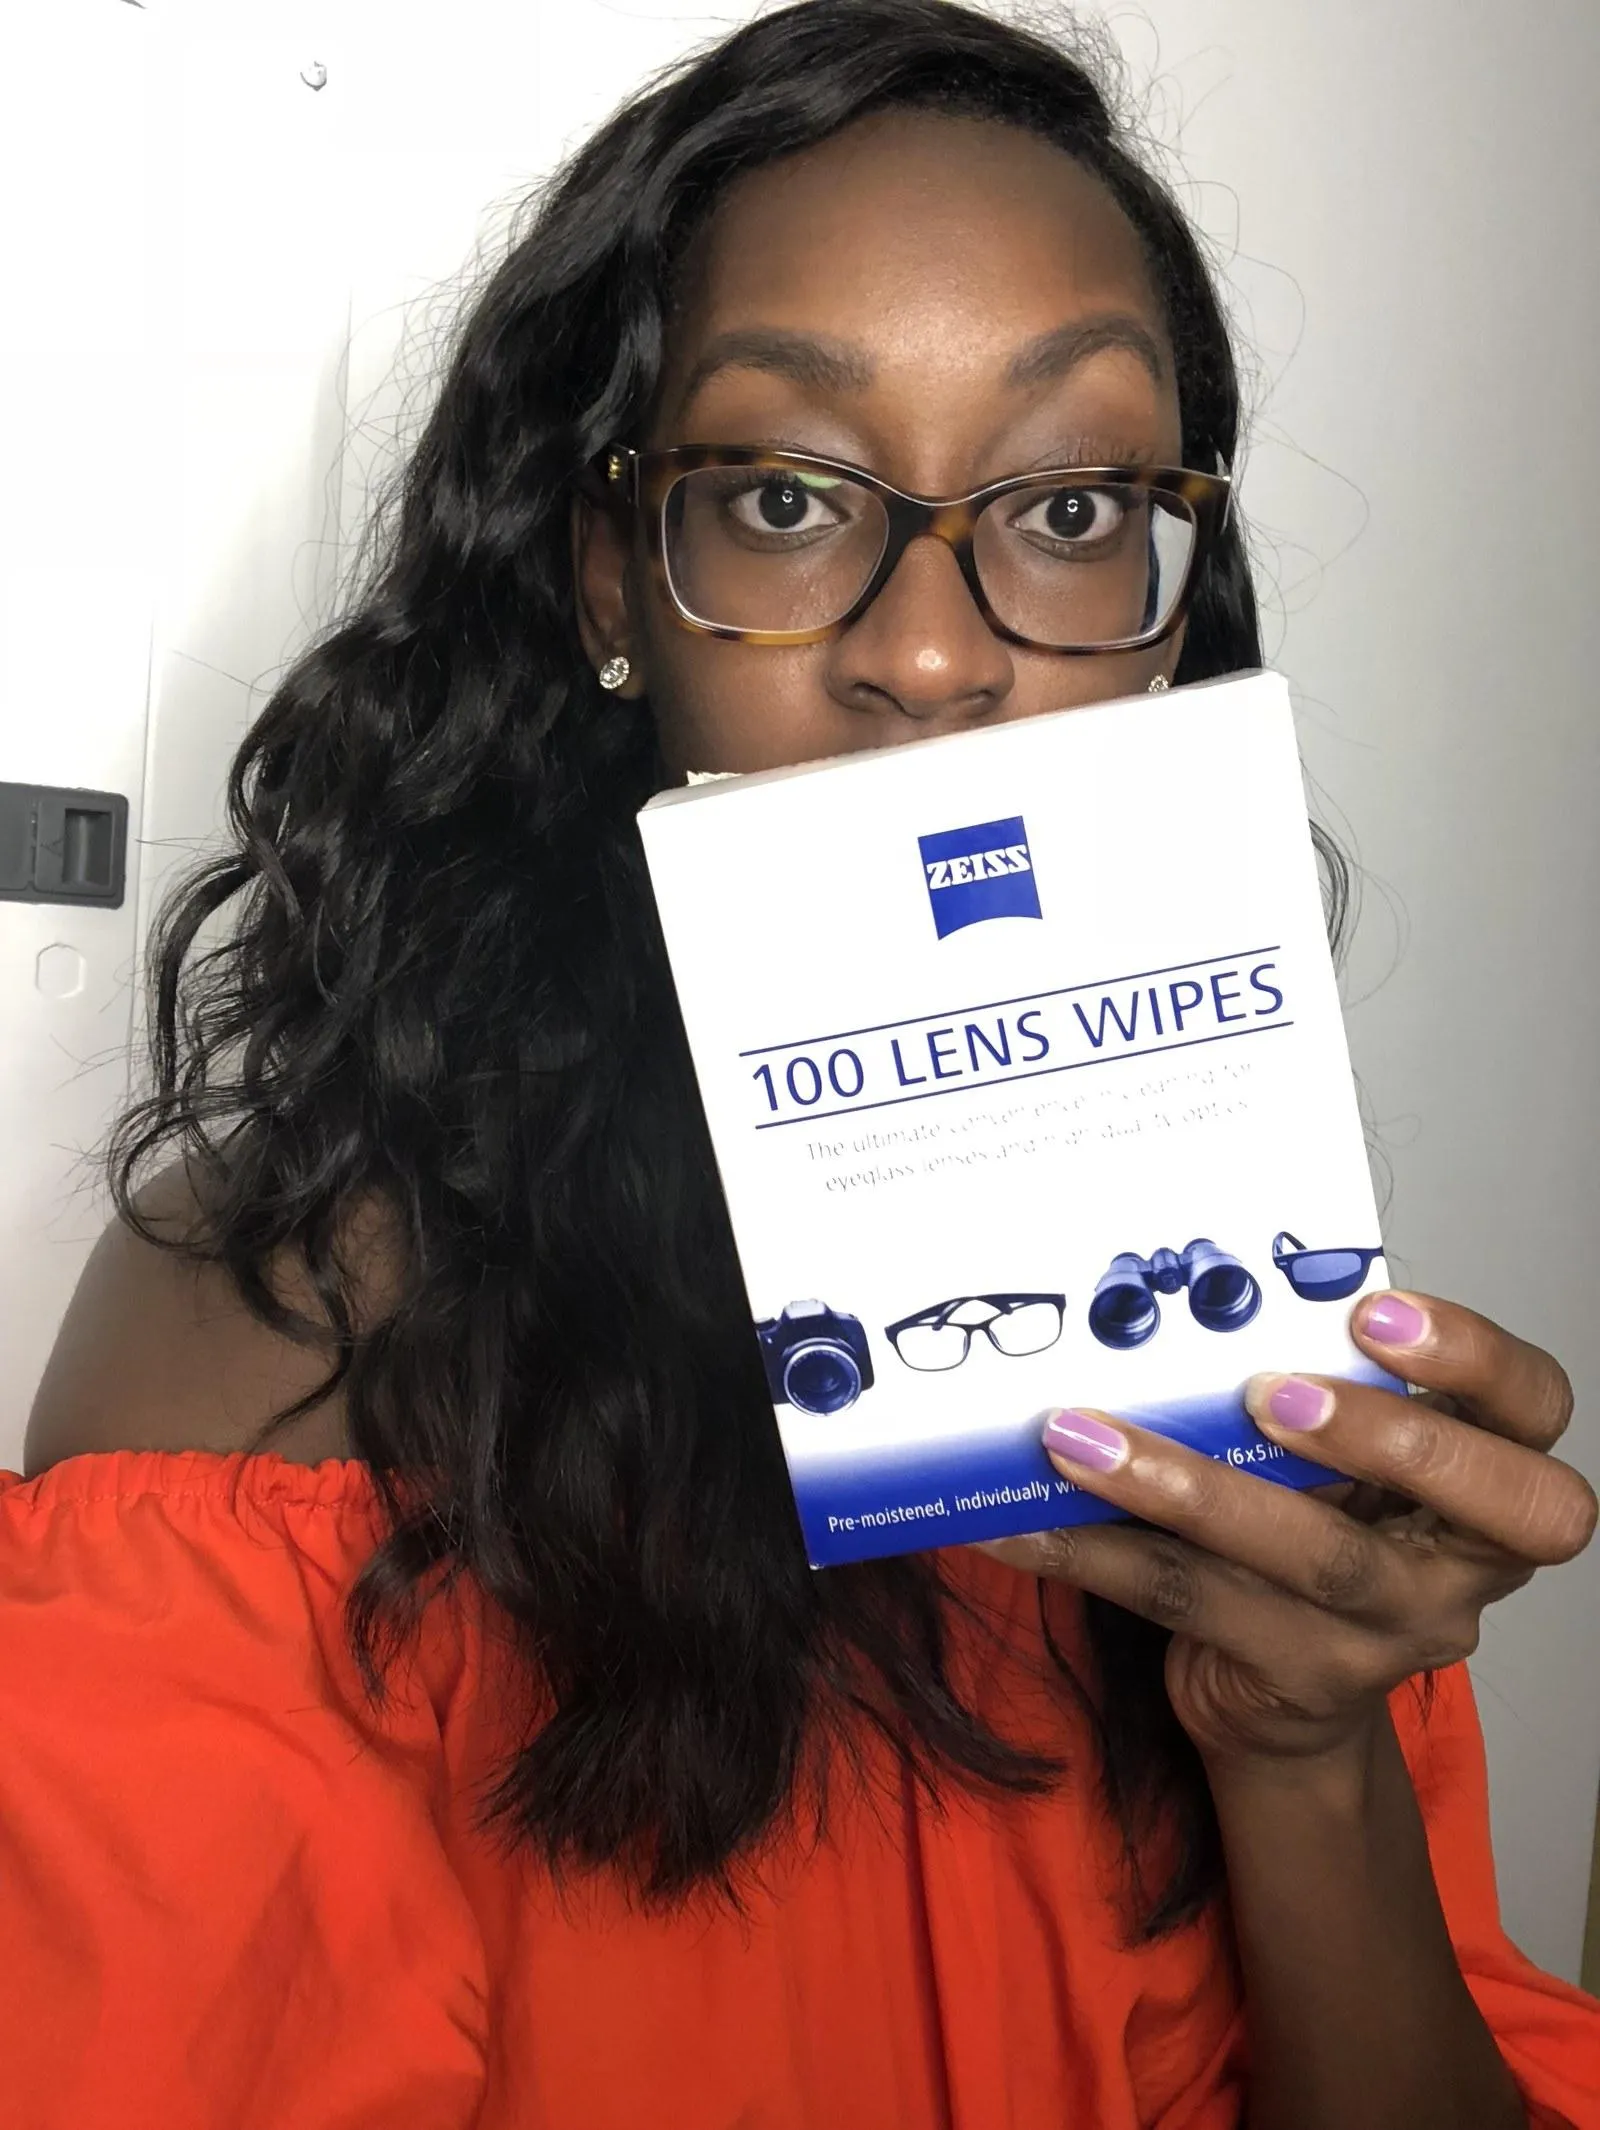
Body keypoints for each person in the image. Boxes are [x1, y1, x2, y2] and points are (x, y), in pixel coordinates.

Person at [5, 2, 1598, 2124]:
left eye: (1066, 505)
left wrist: (1296, 1751)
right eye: (780, 495)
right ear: (612, 581)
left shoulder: (1235, 1332)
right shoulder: (291, 1329)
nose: (928, 653)